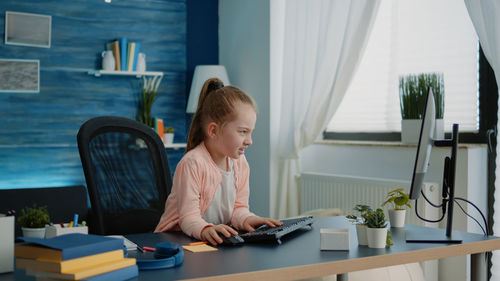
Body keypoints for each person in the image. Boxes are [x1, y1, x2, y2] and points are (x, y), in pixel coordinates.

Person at [155, 78, 282, 245]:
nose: (249, 141)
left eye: (251, 132)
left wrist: (248, 219)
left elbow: (238, 209)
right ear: (213, 130)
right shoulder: (192, 163)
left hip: (211, 240)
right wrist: (207, 229)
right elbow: (189, 218)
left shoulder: (240, 163)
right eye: (243, 132)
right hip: (176, 241)